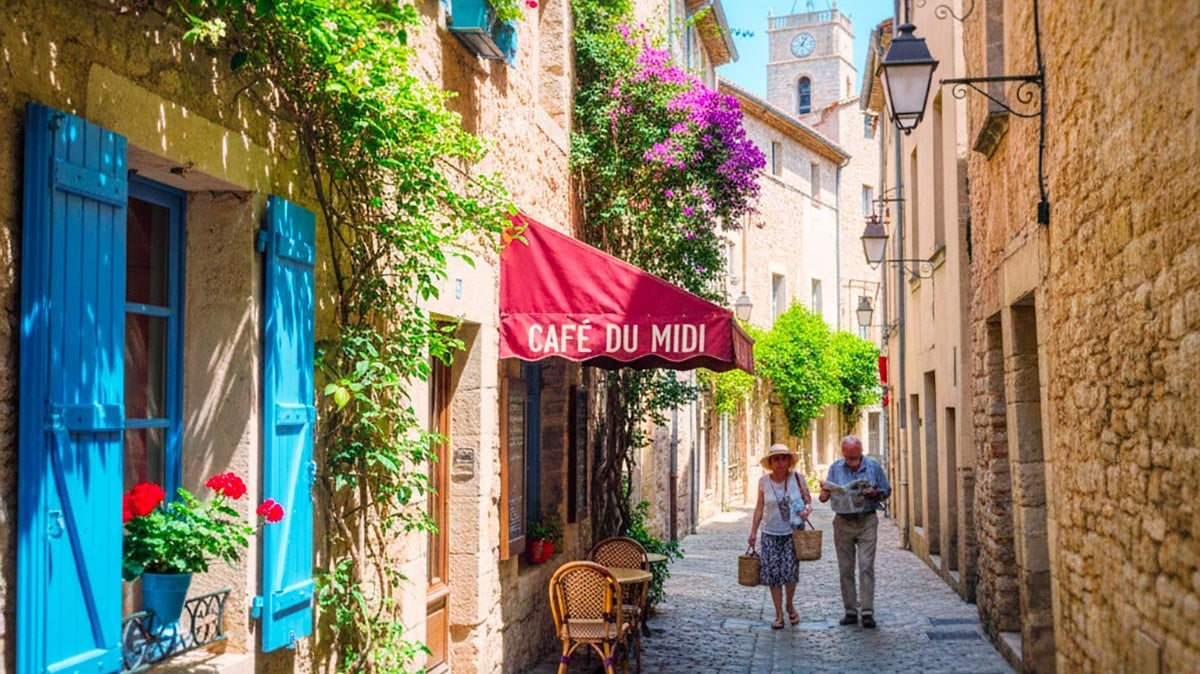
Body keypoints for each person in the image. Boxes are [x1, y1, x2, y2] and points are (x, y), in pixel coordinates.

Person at [818, 435, 891, 629]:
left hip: (867, 520)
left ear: (861, 452)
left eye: (856, 458)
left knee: (866, 565)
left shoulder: (873, 467)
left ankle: (867, 611)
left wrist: (875, 493)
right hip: (843, 522)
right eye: (849, 458)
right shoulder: (835, 468)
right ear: (843, 453)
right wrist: (824, 492)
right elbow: (824, 497)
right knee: (845, 568)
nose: (853, 462)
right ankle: (850, 610)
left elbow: (886, 491)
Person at [747, 444, 812, 629]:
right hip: (770, 533)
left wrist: (807, 510)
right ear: (770, 462)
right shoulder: (763, 482)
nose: (780, 462)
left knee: (790, 573)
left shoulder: (798, 478)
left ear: (789, 461)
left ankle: (789, 605)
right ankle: (778, 615)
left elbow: (808, 501)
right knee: (773, 575)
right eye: (776, 459)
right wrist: (753, 531)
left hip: (793, 532)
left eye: (784, 458)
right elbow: (760, 507)